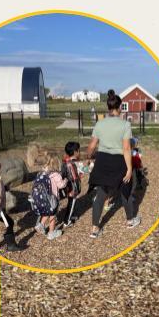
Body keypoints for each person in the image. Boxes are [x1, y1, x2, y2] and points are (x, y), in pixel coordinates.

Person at [86, 90, 141, 239]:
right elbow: (126, 148)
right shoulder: (125, 124)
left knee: (101, 194)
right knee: (125, 190)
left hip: (103, 160)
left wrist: (88, 157)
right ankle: (130, 220)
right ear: (120, 106)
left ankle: (94, 229)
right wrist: (129, 168)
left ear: (108, 107)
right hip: (119, 161)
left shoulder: (100, 123)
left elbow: (91, 146)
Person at [31, 153, 66, 241]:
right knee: (53, 215)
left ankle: (41, 225)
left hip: (45, 198)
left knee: (47, 212)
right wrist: (65, 181)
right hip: (53, 198)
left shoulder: (44, 174)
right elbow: (61, 185)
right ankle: (51, 233)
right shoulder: (56, 175)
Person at [59, 141, 83, 227]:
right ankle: (67, 221)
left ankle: (71, 216)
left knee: (71, 202)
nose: (79, 152)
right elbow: (73, 178)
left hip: (69, 186)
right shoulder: (71, 164)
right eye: (79, 150)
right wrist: (75, 189)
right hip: (72, 187)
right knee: (71, 203)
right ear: (75, 152)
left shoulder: (65, 162)